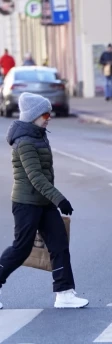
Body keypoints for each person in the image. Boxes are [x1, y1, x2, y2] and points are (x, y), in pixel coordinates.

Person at [0, 93, 88, 310]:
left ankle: (64, 293)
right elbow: (36, 177)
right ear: (34, 115)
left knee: (59, 245)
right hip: (26, 203)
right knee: (21, 249)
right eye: (46, 114)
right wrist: (60, 200)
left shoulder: (38, 134)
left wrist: (53, 200)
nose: (49, 118)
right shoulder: (24, 141)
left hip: (43, 201)